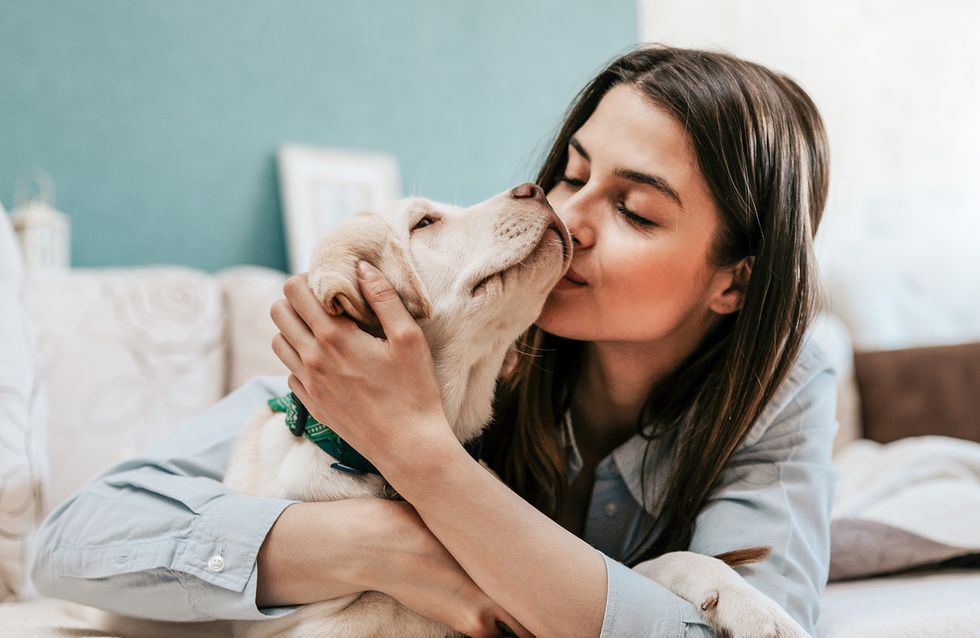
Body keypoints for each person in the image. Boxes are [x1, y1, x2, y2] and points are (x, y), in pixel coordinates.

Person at [32, 44, 837, 638]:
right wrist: (383, 545)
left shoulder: (783, 386)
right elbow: (73, 541)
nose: (571, 215)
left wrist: (423, 455)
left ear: (734, 279)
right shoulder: (444, 337)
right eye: (573, 172)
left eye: (635, 210)